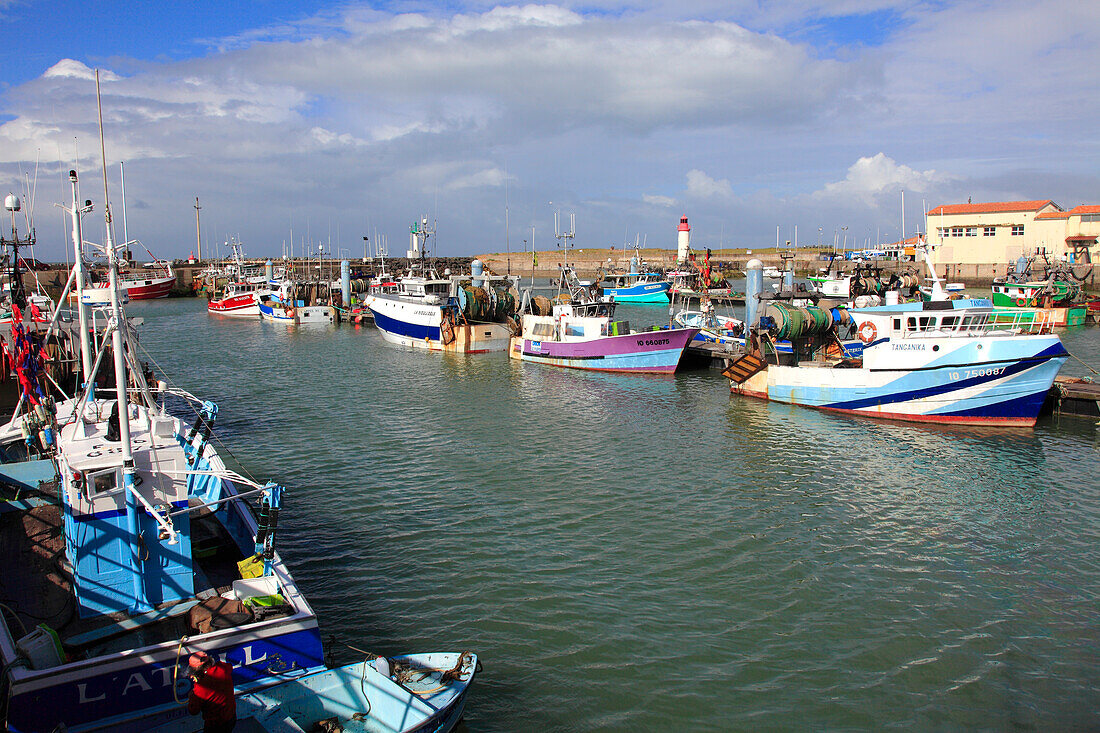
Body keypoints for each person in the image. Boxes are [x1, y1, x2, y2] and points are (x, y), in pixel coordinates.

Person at [186, 651, 236, 732]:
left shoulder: (200, 687)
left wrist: (191, 695)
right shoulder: (223, 668)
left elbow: (193, 711)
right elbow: (229, 667)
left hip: (215, 724)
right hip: (231, 716)